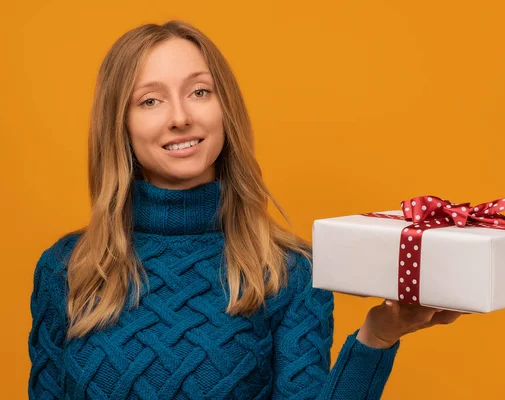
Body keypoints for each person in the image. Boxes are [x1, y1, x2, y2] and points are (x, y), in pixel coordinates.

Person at [27, 20, 463, 399]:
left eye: (199, 91)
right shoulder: (67, 269)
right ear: (118, 125)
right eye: (150, 100)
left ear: (225, 109)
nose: (180, 117)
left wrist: (378, 336)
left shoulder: (292, 272)